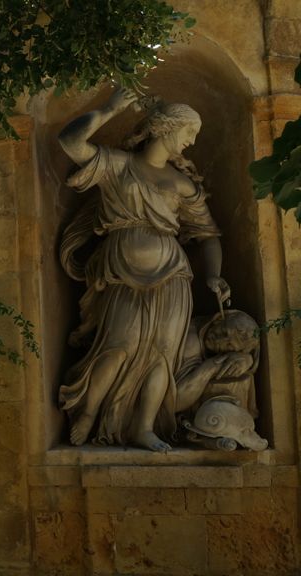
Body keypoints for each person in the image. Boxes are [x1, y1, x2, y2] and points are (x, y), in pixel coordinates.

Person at [57, 87, 230, 452]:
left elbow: (208, 235)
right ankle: (88, 411)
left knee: (163, 354)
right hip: (122, 269)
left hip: (173, 274)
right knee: (120, 345)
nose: (193, 141)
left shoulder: (183, 184)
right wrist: (109, 109)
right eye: (189, 132)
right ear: (166, 128)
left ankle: (144, 426)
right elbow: (70, 142)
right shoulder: (119, 165)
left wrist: (214, 274)